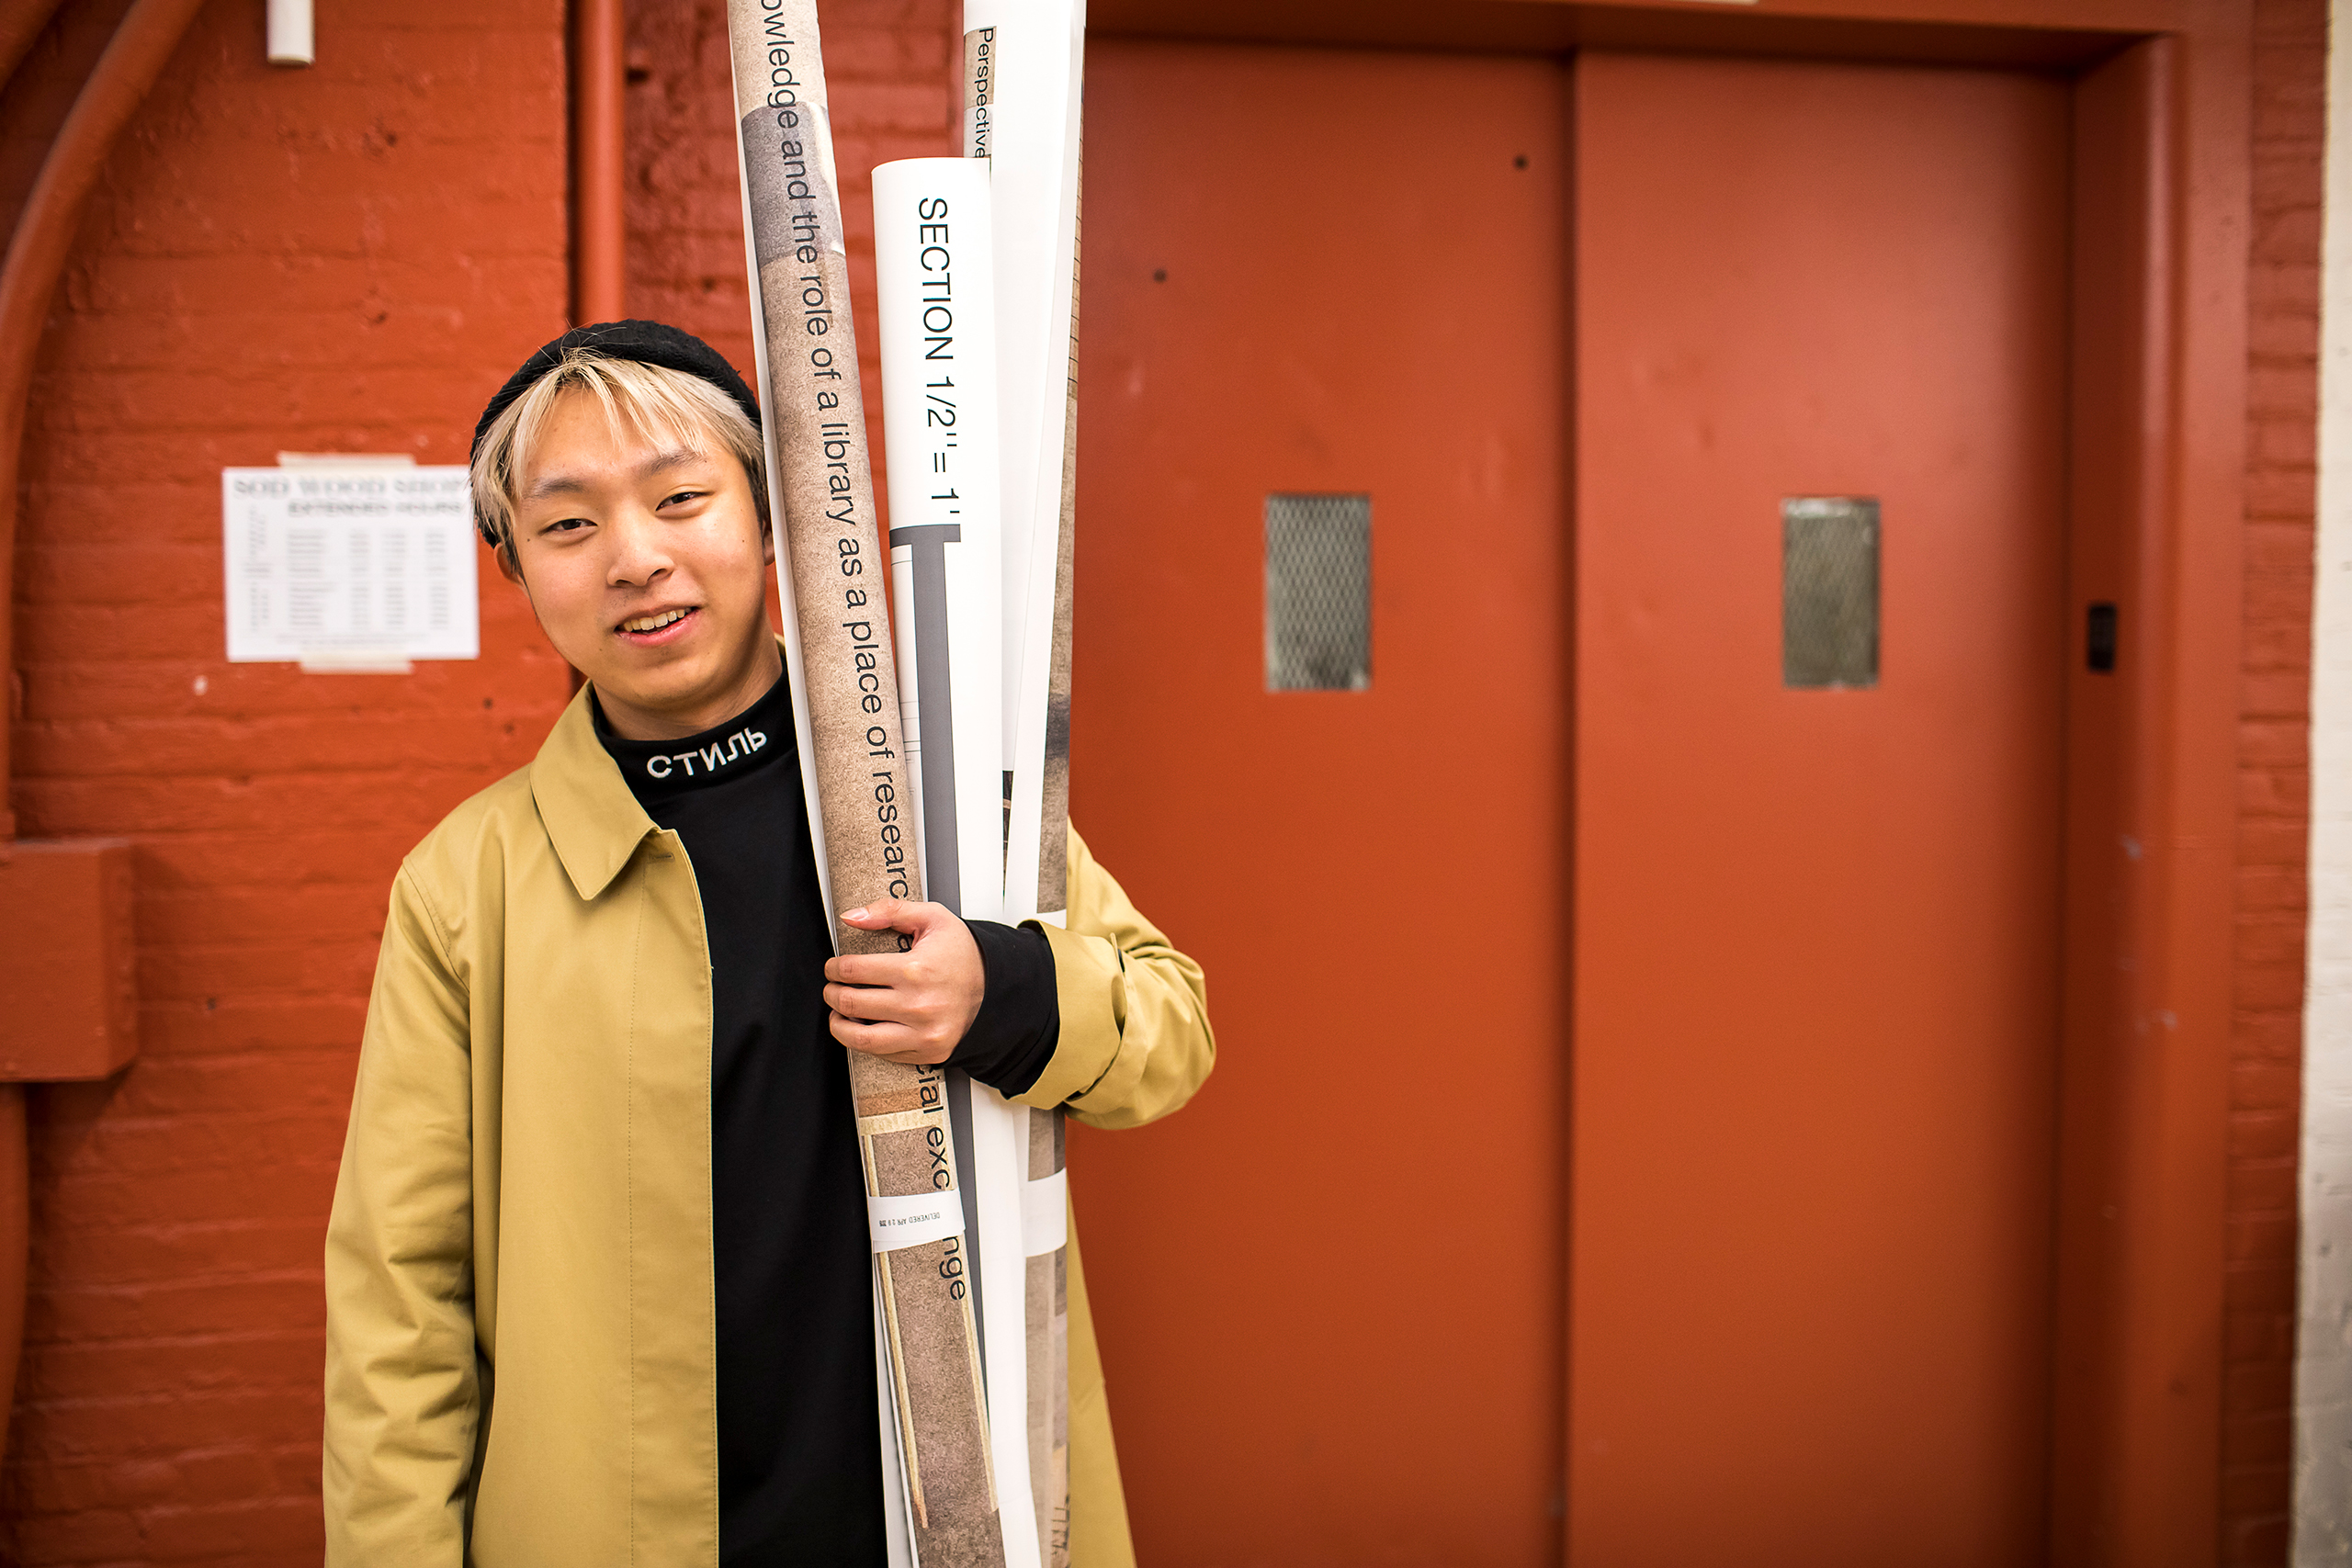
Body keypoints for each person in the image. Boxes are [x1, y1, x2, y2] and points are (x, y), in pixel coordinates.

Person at [322, 321, 1214, 1567]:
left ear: (770, 516)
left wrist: (1000, 986)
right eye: (569, 526)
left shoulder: (937, 791)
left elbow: (1170, 1032)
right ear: (519, 570)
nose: (635, 558)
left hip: (933, 1516)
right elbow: (399, 1310)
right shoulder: (468, 888)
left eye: (681, 498)